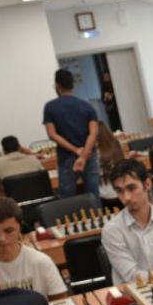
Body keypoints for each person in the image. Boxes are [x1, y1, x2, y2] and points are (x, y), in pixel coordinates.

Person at [100, 159, 153, 284]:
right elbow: (131, 276)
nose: (126, 198)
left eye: (131, 188)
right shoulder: (111, 230)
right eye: (119, 191)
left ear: (147, 184)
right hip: (132, 294)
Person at [0, 197, 67, 299]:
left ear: (20, 228)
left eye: (9, 230)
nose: (2, 238)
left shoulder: (41, 262)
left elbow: (61, 302)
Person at [43, 68, 101, 205]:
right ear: (72, 85)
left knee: (67, 198)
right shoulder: (87, 106)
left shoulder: (50, 107)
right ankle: (98, 217)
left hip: (66, 156)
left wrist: (76, 151)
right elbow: (93, 134)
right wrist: (84, 155)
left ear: (57, 86)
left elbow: (52, 135)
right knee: (93, 194)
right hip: (89, 155)